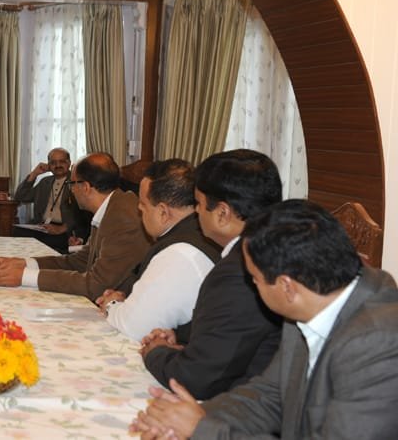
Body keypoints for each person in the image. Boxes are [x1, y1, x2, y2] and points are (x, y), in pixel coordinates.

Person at [132, 199, 398, 439]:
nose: (252, 287)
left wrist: (203, 429)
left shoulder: (379, 343)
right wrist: (182, 417)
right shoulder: (310, 306)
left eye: (255, 279)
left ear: (287, 287)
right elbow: (269, 395)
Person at [140, 149, 283, 400]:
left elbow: (196, 378)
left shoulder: (239, 271)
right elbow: (234, 340)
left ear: (223, 213)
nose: (195, 212)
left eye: (198, 204)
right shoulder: (276, 249)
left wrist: (156, 351)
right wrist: (184, 343)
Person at [0, 152, 150, 302]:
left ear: (85, 187)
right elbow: (81, 261)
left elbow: (96, 285)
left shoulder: (122, 218)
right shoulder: (112, 207)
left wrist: (25, 277)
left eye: (72, 184)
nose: (71, 190)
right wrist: (24, 264)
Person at [96, 159, 220, 342]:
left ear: (163, 212)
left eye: (143, 206)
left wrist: (111, 305)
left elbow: (135, 328)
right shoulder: (196, 234)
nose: (139, 211)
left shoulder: (180, 254)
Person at [12, 147, 92, 253]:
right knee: (18, 232)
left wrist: (64, 227)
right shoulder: (44, 182)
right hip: (42, 226)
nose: (58, 165)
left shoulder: (78, 182)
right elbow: (21, 197)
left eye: (62, 162)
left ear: (69, 163)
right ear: (49, 165)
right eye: (53, 163)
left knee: (53, 242)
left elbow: (85, 214)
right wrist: (34, 174)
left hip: (65, 228)